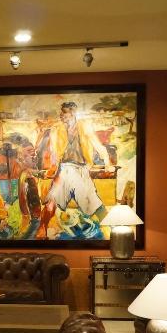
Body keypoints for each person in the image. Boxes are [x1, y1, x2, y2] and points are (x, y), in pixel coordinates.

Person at [40, 101, 115, 236]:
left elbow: (97, 145)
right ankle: (41, 230)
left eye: (64, 112)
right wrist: (52, 168)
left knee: (92, 201)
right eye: (61, 112)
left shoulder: (84, 127)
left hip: (81, 169)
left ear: (73, 113)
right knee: (52, 200)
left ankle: (111, 229)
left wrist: (107, 162)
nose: (61, 115)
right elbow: (53, 153)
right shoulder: (56, 129)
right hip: (64, 169)